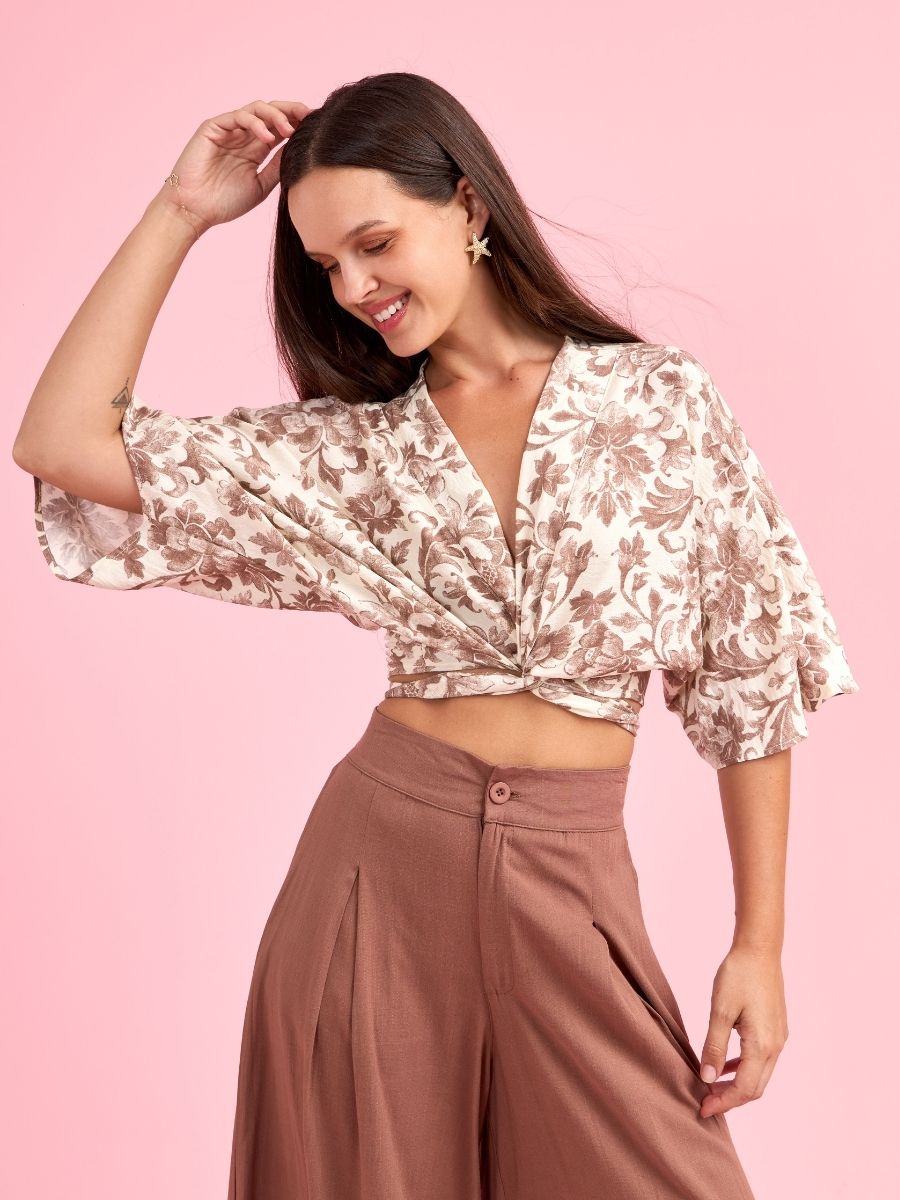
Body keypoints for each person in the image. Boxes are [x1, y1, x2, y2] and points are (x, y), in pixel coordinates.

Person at [13, 73, 859, 1200]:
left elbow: (748, 673)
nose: (354, 288)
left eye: (374, 244)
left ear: (467, 205)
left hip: (572, 885)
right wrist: (180, 213)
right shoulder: (355, 452)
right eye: (325, 266)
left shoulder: (658, 402)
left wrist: (759, 944)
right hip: (376, 881)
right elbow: (61, 440)